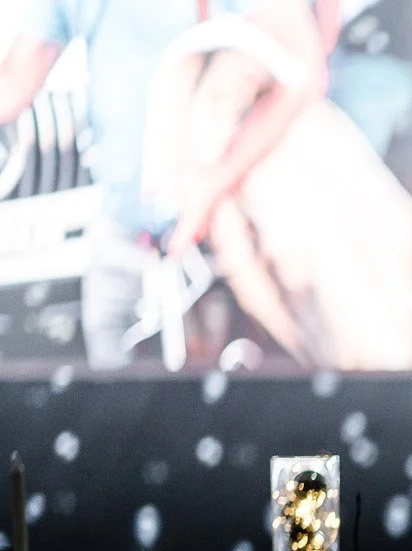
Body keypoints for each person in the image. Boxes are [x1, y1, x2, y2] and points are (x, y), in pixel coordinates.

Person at [0, 0, 329, 369]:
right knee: (112, 403)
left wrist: (213, 184)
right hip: (122, 228)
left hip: (218, 241)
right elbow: (14, 82)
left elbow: (305, 75)